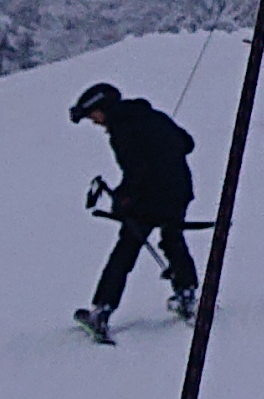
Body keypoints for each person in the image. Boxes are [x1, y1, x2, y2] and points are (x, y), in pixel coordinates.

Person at [68, 82, 200, 343]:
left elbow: (136, 171)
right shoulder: (151, 115)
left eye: (93, 115)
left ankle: (102, 310)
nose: (94, 122)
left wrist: (123, 199)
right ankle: (186, 294)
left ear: (103, 108)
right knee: (172, 238)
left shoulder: (122, 131)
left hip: (151, 197)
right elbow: (187, 143)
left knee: (126, 248)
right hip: (179, 191)